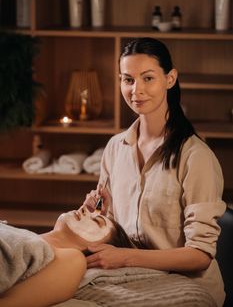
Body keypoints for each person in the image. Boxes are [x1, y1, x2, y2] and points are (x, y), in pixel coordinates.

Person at [83, 37, 226, 307]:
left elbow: (200, 255)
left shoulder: (196, 157)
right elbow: (113, 232)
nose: (136, 90)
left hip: (185, 286)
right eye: (128, 79)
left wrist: (123, 257)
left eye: (148, 78)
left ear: (170, 79)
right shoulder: (116, 148)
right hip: (131, 278)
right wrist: (98, 216)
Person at [0, 205, 134, 307]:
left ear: (100, 250)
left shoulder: (72, 259)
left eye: (96, 221)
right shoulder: (22, 234)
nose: (85, 209)